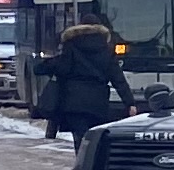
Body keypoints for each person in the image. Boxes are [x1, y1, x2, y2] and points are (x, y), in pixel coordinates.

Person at [40, 9, 134, 138]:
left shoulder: (71, 45)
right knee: (95, 139)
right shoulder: (106, 49)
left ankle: (81, 157)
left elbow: (63, 68)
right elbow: (118, 79)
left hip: (73, 101)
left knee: (80, 138)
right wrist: (129, 103)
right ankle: (94, 158)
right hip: (98, 102)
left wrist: (45, 66)